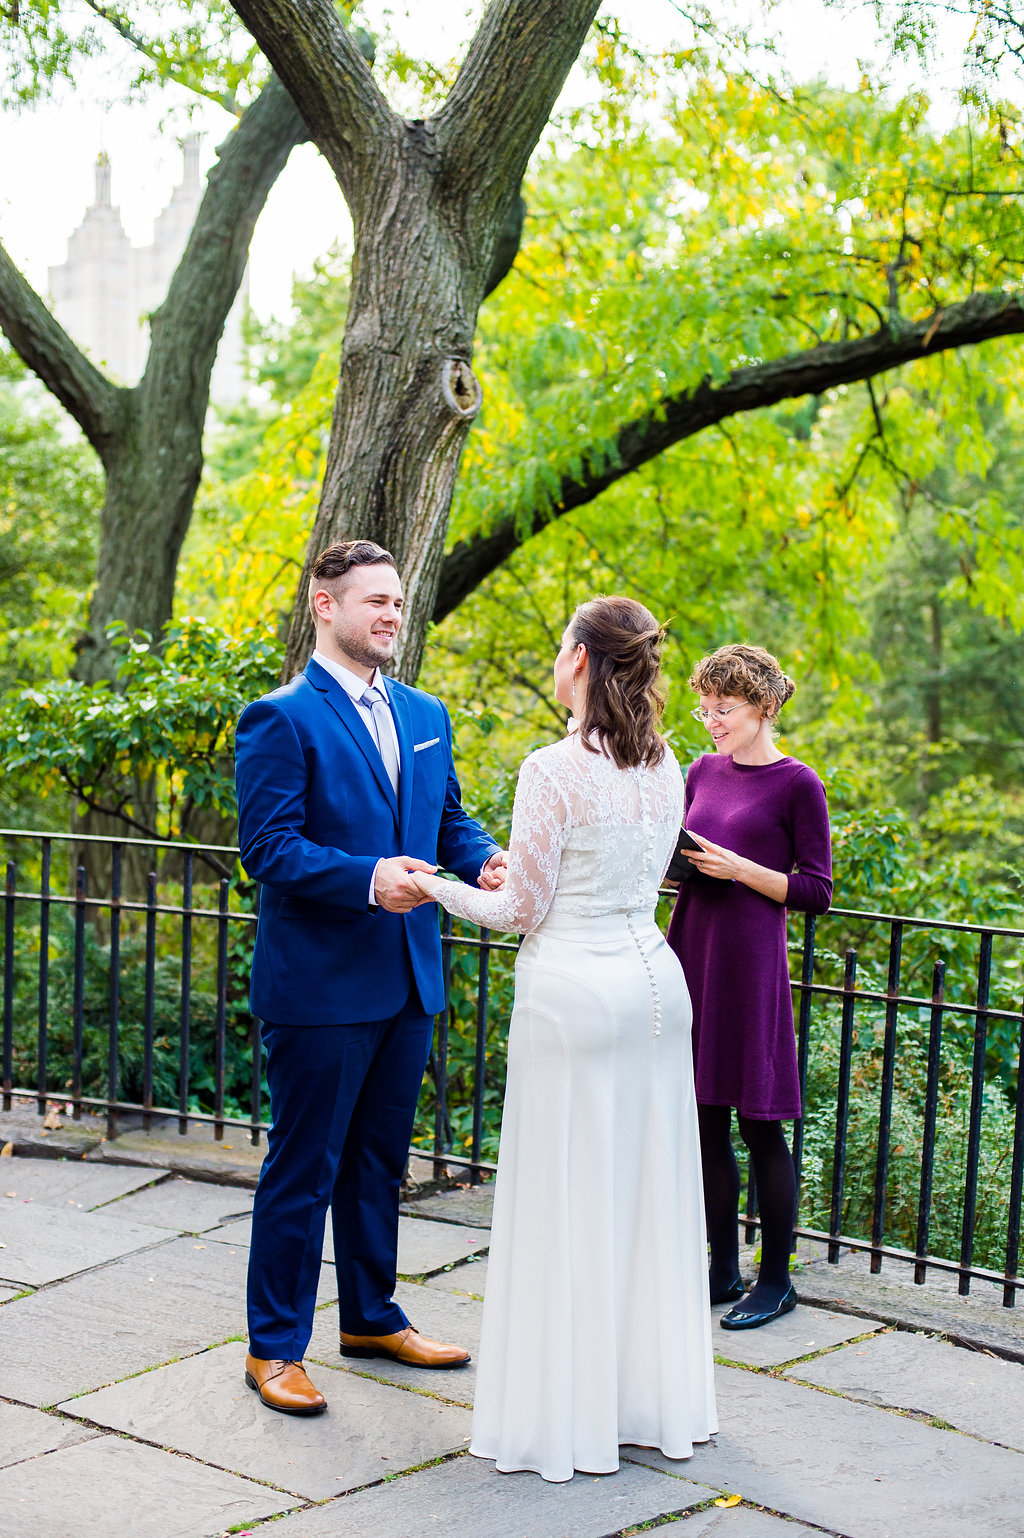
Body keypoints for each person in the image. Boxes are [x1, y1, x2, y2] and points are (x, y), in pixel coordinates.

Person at [411, 596, 717, 1483]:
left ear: (581, 660)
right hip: (657, 988)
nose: (555, 659)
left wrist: (431, 883)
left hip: (576, 998)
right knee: (646, 1197)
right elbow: (626, 870)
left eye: (559, 647)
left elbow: (518, 911)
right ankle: (644, 1405)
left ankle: (565, 1415)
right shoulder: (668, 764)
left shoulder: (551, 767)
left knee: (567, 1200)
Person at [234, 539, 504, 1415]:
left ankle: (371, 1317)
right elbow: (267, 850)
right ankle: (274, 1348)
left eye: (398, 600)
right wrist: (364, 879)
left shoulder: (426, 709)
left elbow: (447, 819)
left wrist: (486, 858)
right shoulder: (279, 716)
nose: (392, 613)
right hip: (317, 988)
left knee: (378, 1164)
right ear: (325, 605)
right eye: (375, 601)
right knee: (303, 1169)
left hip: (409, 978)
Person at [665, 644, 832, 1330]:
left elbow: (815, 890)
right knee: (701, 1121)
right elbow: (674, 859)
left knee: (761, 1125)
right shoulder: (699, 770)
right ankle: (722, 1268)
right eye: (703, 707)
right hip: (692, 947)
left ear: (765, 707)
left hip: (751, 963)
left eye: (723, 708)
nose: (710, 720)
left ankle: (777, 1281)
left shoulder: (799, 784)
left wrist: (742, 870)